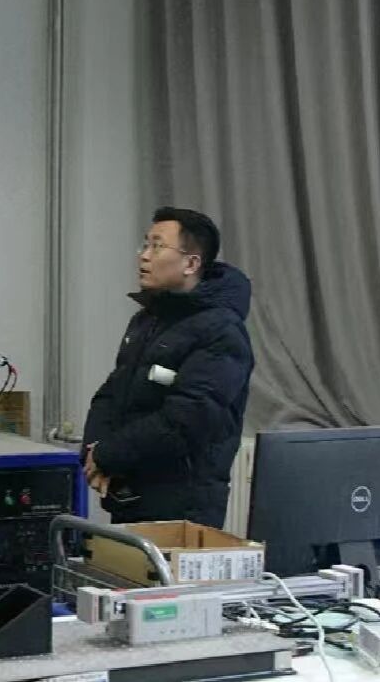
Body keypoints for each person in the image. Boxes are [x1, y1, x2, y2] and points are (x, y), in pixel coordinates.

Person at [81, 207, 254, 529]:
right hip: (130, 493)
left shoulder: (221, 330)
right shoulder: (147, 320)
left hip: (182, 507)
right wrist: (93, 451)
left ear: (191, 263)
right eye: (145, 245)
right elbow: (112, 393)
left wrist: (109, 454)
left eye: (157, 246)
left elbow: (187, 418)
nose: (144, 256)